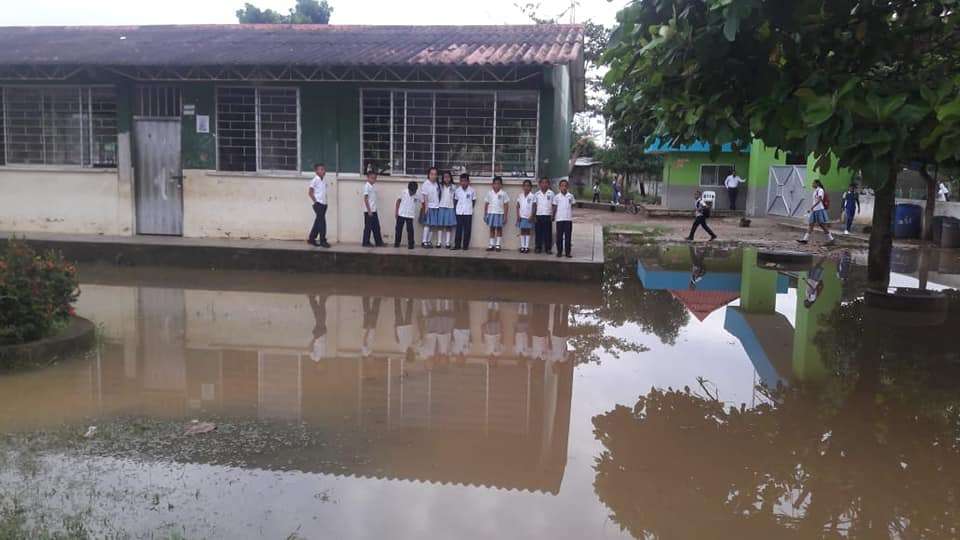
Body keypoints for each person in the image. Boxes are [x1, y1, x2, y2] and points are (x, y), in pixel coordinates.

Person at [798, 179, 835, 245]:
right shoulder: (816, 190)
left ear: (817, 184)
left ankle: (831, 239)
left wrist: (812, 207)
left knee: (822, 225)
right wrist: (812, 208)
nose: (812, 184)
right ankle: (805, 239)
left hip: (819, 210)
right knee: (811, 224)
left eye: (813, 183)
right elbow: (815, 200)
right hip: (815, 210)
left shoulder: (820, 190)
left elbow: (820, 200)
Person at [306, 163, 331, 248]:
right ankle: (323, 240)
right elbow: (310, 192)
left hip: (324, 204)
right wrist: (315, 202)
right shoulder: (315, 180)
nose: (323, 171)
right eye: (321, 169)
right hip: (318, 204)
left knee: (318, 222)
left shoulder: (323, 180)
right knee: (322, 223)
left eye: (324, 169)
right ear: (316, 171)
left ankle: (311, 239)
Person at [484, 176, 510, 252]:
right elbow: (486, 204)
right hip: (491, 213)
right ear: (492, 185)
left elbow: (506, 205)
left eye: (498, 184)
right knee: (491, 228)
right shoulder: (489, 193)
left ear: (501, 185)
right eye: (495, 184)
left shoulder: (503, 193)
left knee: (499, 228)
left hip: (500, 214)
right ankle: (491, 244)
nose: (496, 185)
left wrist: (505, 216)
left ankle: (498, 245)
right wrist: (485, 214)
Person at [552, 179, 575, 258]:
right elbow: (554, 207)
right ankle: (559, 252)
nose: (564, 187)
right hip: (559, 219)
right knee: (559, 237)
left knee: (568, 237)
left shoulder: (570, 196)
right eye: (562, 186)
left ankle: (568, 252)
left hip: (568, 219)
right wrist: (553, 216)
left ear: (567, 187)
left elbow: (572, 205)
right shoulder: (556, 197)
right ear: (559, 187)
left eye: (565, 186)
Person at [453, 173, 476, 250]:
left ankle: (465, 246)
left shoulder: (472, 190)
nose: (463, 183)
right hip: (459, 212)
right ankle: (457, 245)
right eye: (462, 181)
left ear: (468, 181)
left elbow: (473, 201)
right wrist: (456, 209)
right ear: (460, 182)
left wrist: (470, 208)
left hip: (468, 212)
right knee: (458, 229)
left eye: (465, 181)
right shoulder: (457, 190)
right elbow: (455, 201)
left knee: (467, 230)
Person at [361, 170, 385, 247]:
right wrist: (369, 211)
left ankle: (379, 242)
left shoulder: (373, 186)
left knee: (376, 227)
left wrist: (373, 210)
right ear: (367, 178)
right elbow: (366, 199)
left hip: (374, 210)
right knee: (368, 227)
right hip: (369, 211)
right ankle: (365, 242)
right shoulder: (366, 186)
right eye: (372, 178)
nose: (373, 179)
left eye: (375, 178)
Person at [420, 166, 441, 248]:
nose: (433, 176)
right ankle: (424, 241)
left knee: (433, 225)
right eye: (431, 174)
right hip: (428, 207)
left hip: (436, 207)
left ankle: (428, 241)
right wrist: (425, 208)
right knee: (427, 225)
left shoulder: (437, 184)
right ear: (428, 175)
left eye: (435, 174)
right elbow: (424, 197)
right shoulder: (426, 184)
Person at [394, 181, 419, 249]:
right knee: (398, 229)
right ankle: (397, 243)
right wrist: (396, 211)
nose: (412, 193)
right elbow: (398, 201)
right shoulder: (403, 192)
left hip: (410, 215)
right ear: (408, 189)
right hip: (401, 214)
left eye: (414, 191)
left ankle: (411, 244)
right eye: (411, 191)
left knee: (410, 230)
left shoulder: (417, 195)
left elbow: (419, 203)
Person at [533, 177, 555, 254]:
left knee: (548, 233)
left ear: (548, 184)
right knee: (538, 232)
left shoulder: (551, 193)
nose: (544, 184)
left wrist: (553, 215)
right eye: (542, 182)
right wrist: (534, 215)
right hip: (538, 215)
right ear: (539, 184)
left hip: (548, 215)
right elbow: (535, 205)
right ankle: (538, 247)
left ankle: (548, 248)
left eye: (546, 183)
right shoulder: (536, 194)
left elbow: (553, 205)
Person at [436, 171, 458, 248]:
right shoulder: (440, 186)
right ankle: (439, 242)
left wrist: (455, 208)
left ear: (450, 178)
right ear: (443, 178)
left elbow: (456, 198)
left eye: (448, 177)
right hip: (441, 207)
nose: (446, 178)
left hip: (450, 208)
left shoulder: (454, 187)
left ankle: (447, 243)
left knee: (449, 226)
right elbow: (437, 196)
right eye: (445, 177)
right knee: (440, 225)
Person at [516, 179, 536, 253]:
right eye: (525, 186)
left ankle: (526, 247)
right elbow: (517, 206)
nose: (526, 187)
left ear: (531, 187)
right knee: (522, 231)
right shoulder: (520, 195)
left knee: (527, 231)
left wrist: (532, 216)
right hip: (521, 216)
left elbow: (534, 207)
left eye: (528, 186)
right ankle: (522, 246)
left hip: (528, 217)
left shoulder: (532, 196)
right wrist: (518, 215)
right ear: (523, 187)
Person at [308, 294, 328, 362]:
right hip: (321, 334)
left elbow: (310, 348)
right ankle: (313, 298)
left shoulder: (315, 359)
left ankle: (321, 298)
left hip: (318, 335)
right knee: (319, 315)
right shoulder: (320, 358)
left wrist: (315, 338)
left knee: (321, 316)